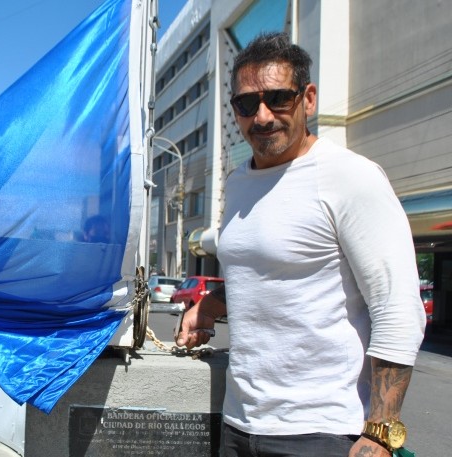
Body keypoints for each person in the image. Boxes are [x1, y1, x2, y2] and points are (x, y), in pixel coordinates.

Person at [175, 32, 425, 457]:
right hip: (240, 423)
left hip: (322, 432)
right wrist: (210, 306)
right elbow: (265, 276)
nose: (263, 116)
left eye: (279, 98)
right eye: (247, 105)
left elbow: (397, 305)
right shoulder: (239, 184)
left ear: (308, 99)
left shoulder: (350, 177)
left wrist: (381, 434)